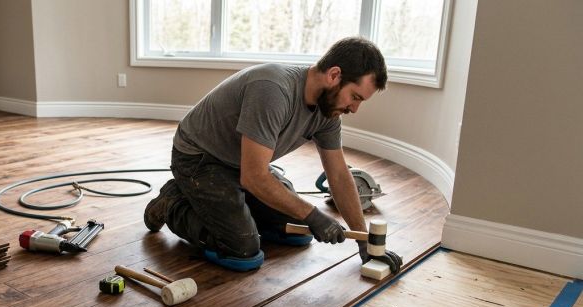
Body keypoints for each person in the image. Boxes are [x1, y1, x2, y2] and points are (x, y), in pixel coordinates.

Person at [144, 36, 402, 273]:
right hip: (200, 159)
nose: (354, 109)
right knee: (242, 251)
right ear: (334, 75)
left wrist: (364, 240)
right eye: (354, 97)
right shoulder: (273, 89)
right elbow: (254, 176)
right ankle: (172, 202)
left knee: (299, 233)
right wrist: (313, 214)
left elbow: (338, 174)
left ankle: (233, 207)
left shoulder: (328, 111)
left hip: (242, 165)